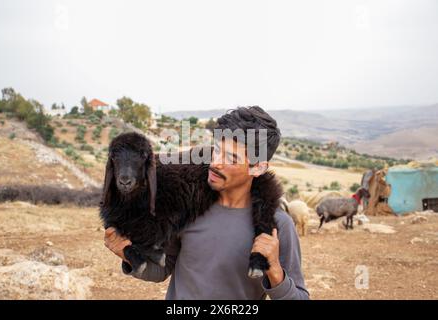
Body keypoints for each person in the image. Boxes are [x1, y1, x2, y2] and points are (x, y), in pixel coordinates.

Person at [104, 106, 309, 299]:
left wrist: (274, 270)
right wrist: (126, 253)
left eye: (230, 157)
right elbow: (163, 269)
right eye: (217, 150)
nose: (215, 162)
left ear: (257, 168)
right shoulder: (189, 204)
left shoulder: (278, 226)